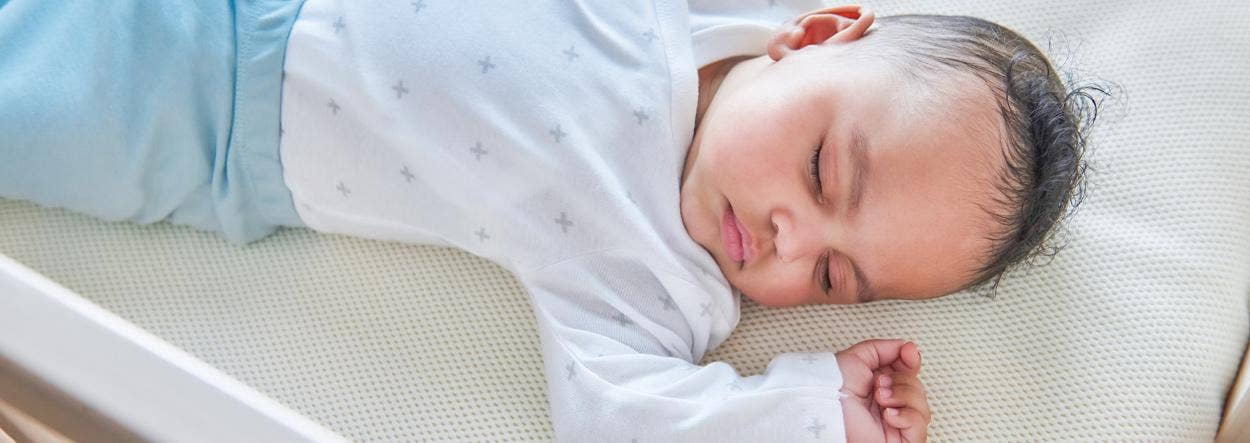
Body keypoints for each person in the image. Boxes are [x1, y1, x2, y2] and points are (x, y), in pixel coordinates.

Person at [0, 1, 1091, 441]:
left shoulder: (653, 283)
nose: (787, 236)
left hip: (188, 118)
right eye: (817, 169)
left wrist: (812, 407)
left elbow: (626, 422)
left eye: (833, 279)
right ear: (812, 34)